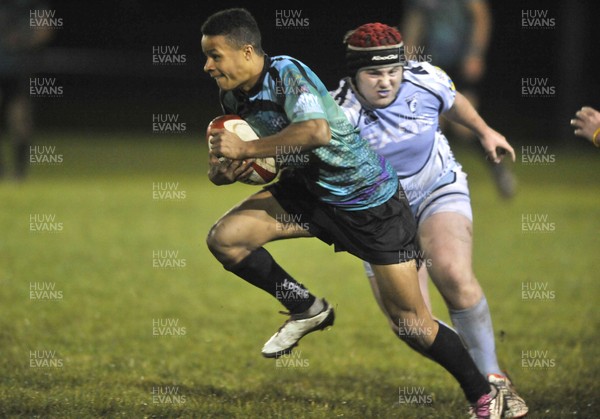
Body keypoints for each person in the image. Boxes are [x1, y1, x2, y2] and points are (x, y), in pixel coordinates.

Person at [202, 8, 503, 417]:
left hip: (369, 201)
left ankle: (484, 394)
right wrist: (226, 172)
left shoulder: (287, 73)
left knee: (412, 324)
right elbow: (270, 157)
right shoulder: (232, 96)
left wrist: (247, 150)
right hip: (310, 194)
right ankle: (306, 307)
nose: (208, 66)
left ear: (247, 51)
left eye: (215, 56)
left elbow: (315, 132)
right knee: (226, 239)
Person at [331, 23, 527, 418]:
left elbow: (453, 102)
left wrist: (485, 132)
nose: (386, 82)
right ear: (354, 75)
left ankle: (494, 381)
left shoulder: (425, 78)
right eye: (373, 74)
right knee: (409, 324)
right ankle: (478, 383)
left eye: (392, 71)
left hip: (438, 186)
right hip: (380, 215)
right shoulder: (337, 112)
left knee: (453, 272)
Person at [401, 0, 517, 199]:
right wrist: (406, 63)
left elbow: (481, 17)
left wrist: (475, 53)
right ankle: (429, 184)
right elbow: (413, 26)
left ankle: (498, 170)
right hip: (432, 64)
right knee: (430, 125)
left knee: (464, 128)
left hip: (460, 62)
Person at [0, 0, 54, 180]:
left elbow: (44, 30)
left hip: (18, 71)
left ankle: (20, 173)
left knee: (20, 120)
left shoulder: (31, 6)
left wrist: (22, 39)